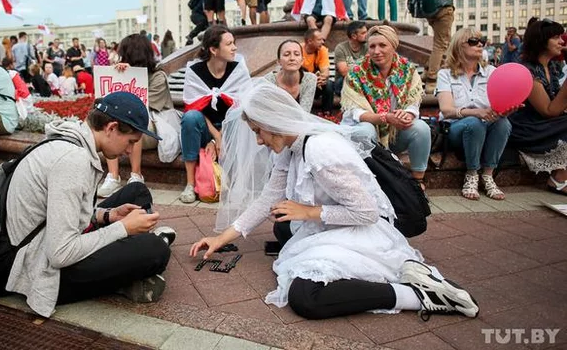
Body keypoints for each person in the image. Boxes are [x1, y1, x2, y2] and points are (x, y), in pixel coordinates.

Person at [192, 80, 479, 321]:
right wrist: (222, 238)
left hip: (363, 229)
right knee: (282, 225)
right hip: (334, 225)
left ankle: (419, 294)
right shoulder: (292, 146)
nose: (257, 141)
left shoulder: (319, 150)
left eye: (258, 131)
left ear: (273, 121)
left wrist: (308, 211)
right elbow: (268, 198)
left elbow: (366, 213)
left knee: (305, 297)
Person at [1, 92, 175, 317]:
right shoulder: (73, 161)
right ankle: (130, 266)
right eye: (131, 141)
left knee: (136, 191)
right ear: (111, 128)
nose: (131, 150)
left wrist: (107, 216)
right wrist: (122, 229)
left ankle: (128, 260)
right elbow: (59, 253)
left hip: (43, 238)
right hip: (32, 266)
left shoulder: (73, 140)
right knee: (155, 250)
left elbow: (61, 210)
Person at [341, 25, 430, 190]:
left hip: (394, 133)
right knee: (366, 130)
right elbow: (353, 110)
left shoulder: (408, 70)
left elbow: (413, 100)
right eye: (372, 46)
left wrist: (408, 114)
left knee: (421, 128)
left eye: (382, 45)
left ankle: (417, 181)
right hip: (365, 129)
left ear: (393, 46)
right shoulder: (356, 72)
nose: (376, 51)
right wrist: (384, 117)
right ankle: (368, 179)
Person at [436, 28, 513, 200]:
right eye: (473, 41)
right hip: (455, 128)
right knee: (474, 122)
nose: (479, 45)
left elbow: (497, 106)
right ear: (459, 46)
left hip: (485, 126)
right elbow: (446, 110)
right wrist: (476, 112)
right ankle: (472, 173)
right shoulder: (445, 74)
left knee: (503, 123)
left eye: (482, 41)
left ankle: (488, 175)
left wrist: (506, 110)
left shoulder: (492, 72)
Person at [98, 34, 175, 197]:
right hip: (133, 126)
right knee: (111, 119)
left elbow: (141, 108)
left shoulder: (158, 76)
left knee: (134, 120)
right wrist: (120, 77)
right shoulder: (121, 73)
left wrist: (130, 76)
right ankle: (112, 176)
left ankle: (136, 175)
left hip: (157, 126)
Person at [179, 25, 251, 203]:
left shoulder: (237, 70)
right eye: (229, 44)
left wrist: (220, 138)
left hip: (232, 126)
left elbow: (241, 109)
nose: (234, 48)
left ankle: (236, 181)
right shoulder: (195, 72)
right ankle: (189, 184)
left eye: (234, 43)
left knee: (241, 118)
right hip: (206, 127)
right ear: (213, 49)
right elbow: (194, 107)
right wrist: (215, 136)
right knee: (190, 118)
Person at [509, 20, 567, 193]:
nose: (562, 42)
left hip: (544, 125)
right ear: (541, 41)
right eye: (556, 37)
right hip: (527, 128)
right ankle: (558, 179)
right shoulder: (527, 70)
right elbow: (549, 111)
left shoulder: (552, 67)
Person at [264, 40, 317, 113]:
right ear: (278, 61)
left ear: (302, 61)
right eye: (286, 54)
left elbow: (305, 113)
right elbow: (270, 112)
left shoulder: (310, 79)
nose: (292, 58)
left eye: (297, 54)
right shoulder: (268, 80)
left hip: (301, 122)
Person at [301, 28, 335, 115]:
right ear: (309, 41)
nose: (322, 42)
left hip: (315, 84)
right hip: (300, 84)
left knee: (328, 84)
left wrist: (321, 78)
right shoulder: (298, 49)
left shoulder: (322, 50)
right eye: (319, 40)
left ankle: (327, 114)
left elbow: (325, 72)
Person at [333, 21, 368, 96]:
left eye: (366, 32)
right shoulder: (341, 48)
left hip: (363, 83)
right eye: (363, 33)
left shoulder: (368, 47)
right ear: (354, 36)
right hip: (343, 84)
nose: (367, 35)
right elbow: (344, 72)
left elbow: (372, 69)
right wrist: (364, 69)